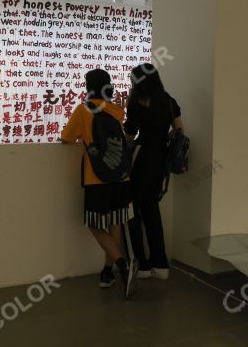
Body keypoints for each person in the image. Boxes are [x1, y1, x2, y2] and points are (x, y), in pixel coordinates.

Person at [61, 68, 137, 299]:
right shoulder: (116, 110)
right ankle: (108, 271)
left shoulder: (83, 110)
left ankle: (123, 264)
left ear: (88, 86)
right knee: (116, 221)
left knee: (94, 223)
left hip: (97, 177)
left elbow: (66, 137)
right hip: (122, 176)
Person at [124, 63, 184, 280]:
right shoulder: (169, 100)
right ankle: (161, 264)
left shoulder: (138, 101)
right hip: (162, 158)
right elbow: (179, 130)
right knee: (151, 208)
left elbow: (130, 134)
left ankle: (142, 265)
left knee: (132, 208)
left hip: (142, 156)